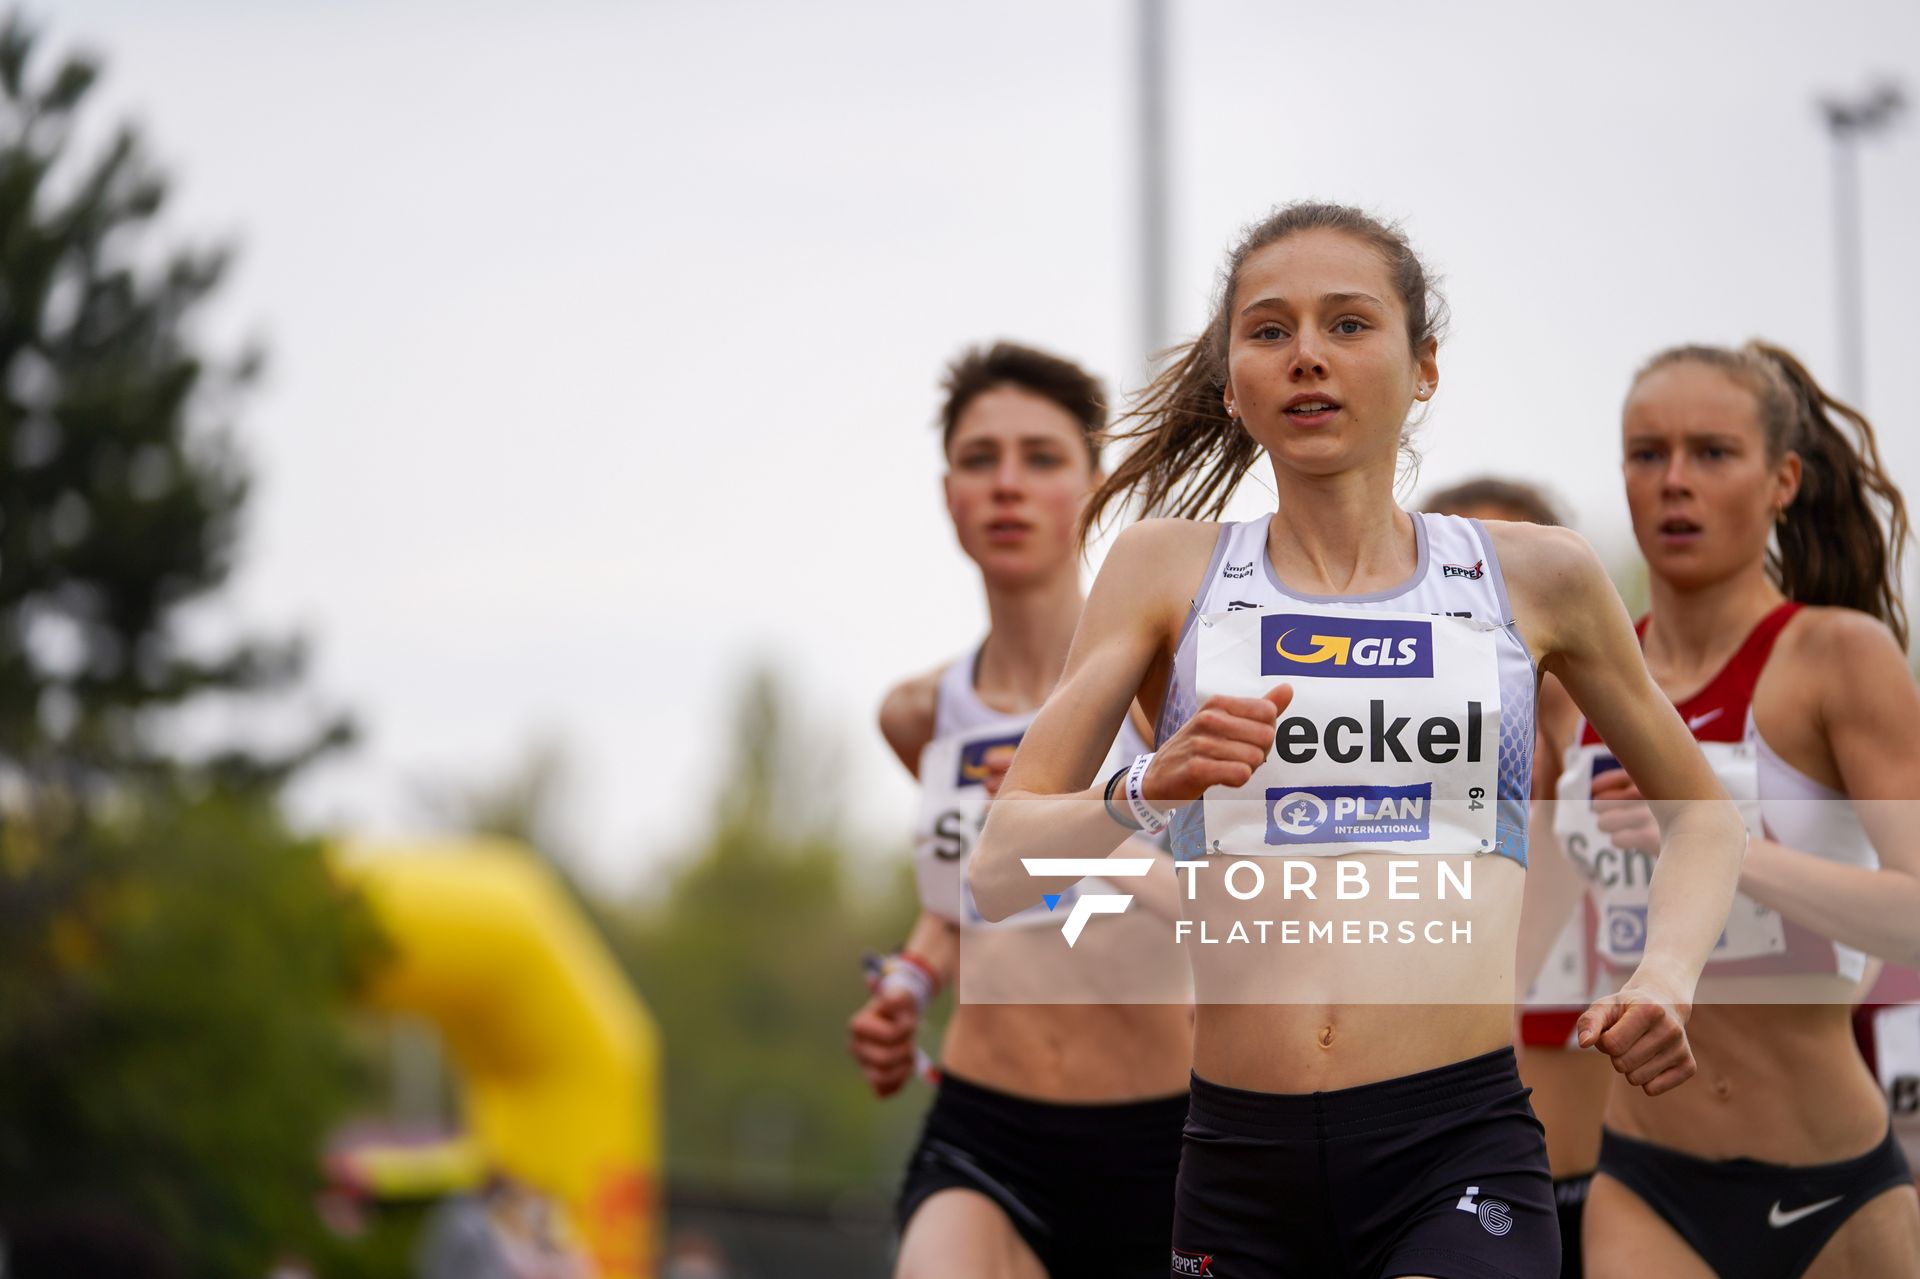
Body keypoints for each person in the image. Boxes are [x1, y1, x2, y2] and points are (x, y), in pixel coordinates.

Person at [969, 201, 1746, 1279]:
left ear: (1424, 366)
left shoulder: (1533, 577)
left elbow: (1702, 814)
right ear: (1234, 382)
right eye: (1271, 331)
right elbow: (1002, 868)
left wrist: (1665, 974)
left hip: (1452, 1147)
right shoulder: (1163, 572)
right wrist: (1147, 785)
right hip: (1239, 1164)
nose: (1308, 359)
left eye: (1348, 324)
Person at [1541, 341, 1920, 1278]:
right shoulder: (1578, 683)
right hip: (1643, 1177)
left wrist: (1716, 843)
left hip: (1832, 1183)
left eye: (1712, 453)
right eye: (1646, 454)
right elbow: (1539, 940)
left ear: (1783, 478)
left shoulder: (1838, 658)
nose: (1674, 483)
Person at [846, 342, 1191, 1279]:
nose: (1007, 485)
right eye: (978, 458)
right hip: (988, 1133)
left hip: (1172, 1141)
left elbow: (1249, 902)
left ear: (1094, 485)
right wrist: (907, 987)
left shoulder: (1167, 695)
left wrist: (1098, 847)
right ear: (946, 489)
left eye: (1041, 458)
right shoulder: (921, 713)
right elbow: (966, 898)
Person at [1424, 478, 1608, 1279]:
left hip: (1620, 1184)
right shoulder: (1399, 771)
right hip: (1450, 1194)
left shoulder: (1627, 753)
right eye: (1465, 581)